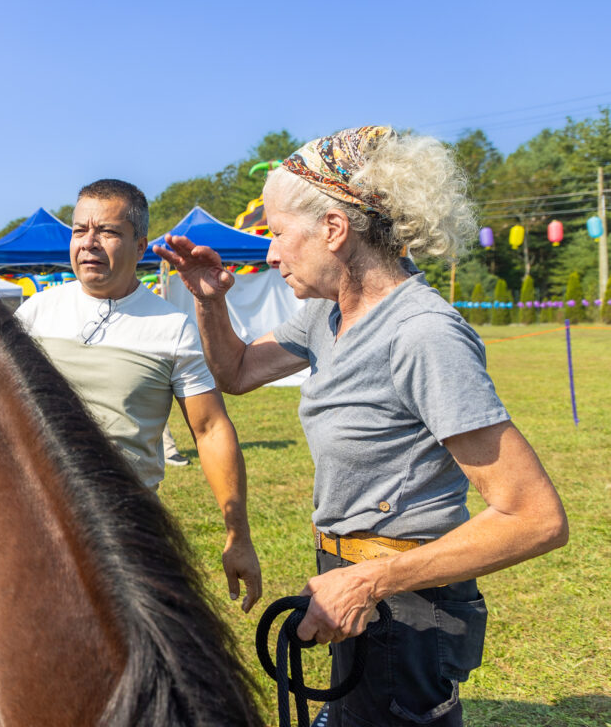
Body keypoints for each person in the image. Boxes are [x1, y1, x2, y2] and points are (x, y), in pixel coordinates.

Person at [157, 126, 568, 726]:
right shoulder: (326, 313)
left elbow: (535, 518)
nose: (270, 254)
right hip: (354, 584)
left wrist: (371, 582)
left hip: (408, 603)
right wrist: (210, 302)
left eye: (277, 233)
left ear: (333, 229)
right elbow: (238, 371)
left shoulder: (423, 334)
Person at [16, 179, 262, 612]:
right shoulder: (36, 312)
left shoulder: (172, 328)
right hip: (29, 523)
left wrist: (237, 535)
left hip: (125, 535)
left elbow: (210, 430)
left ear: (141, 244)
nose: (89, 243)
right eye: (79, 230)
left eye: (107, 232)